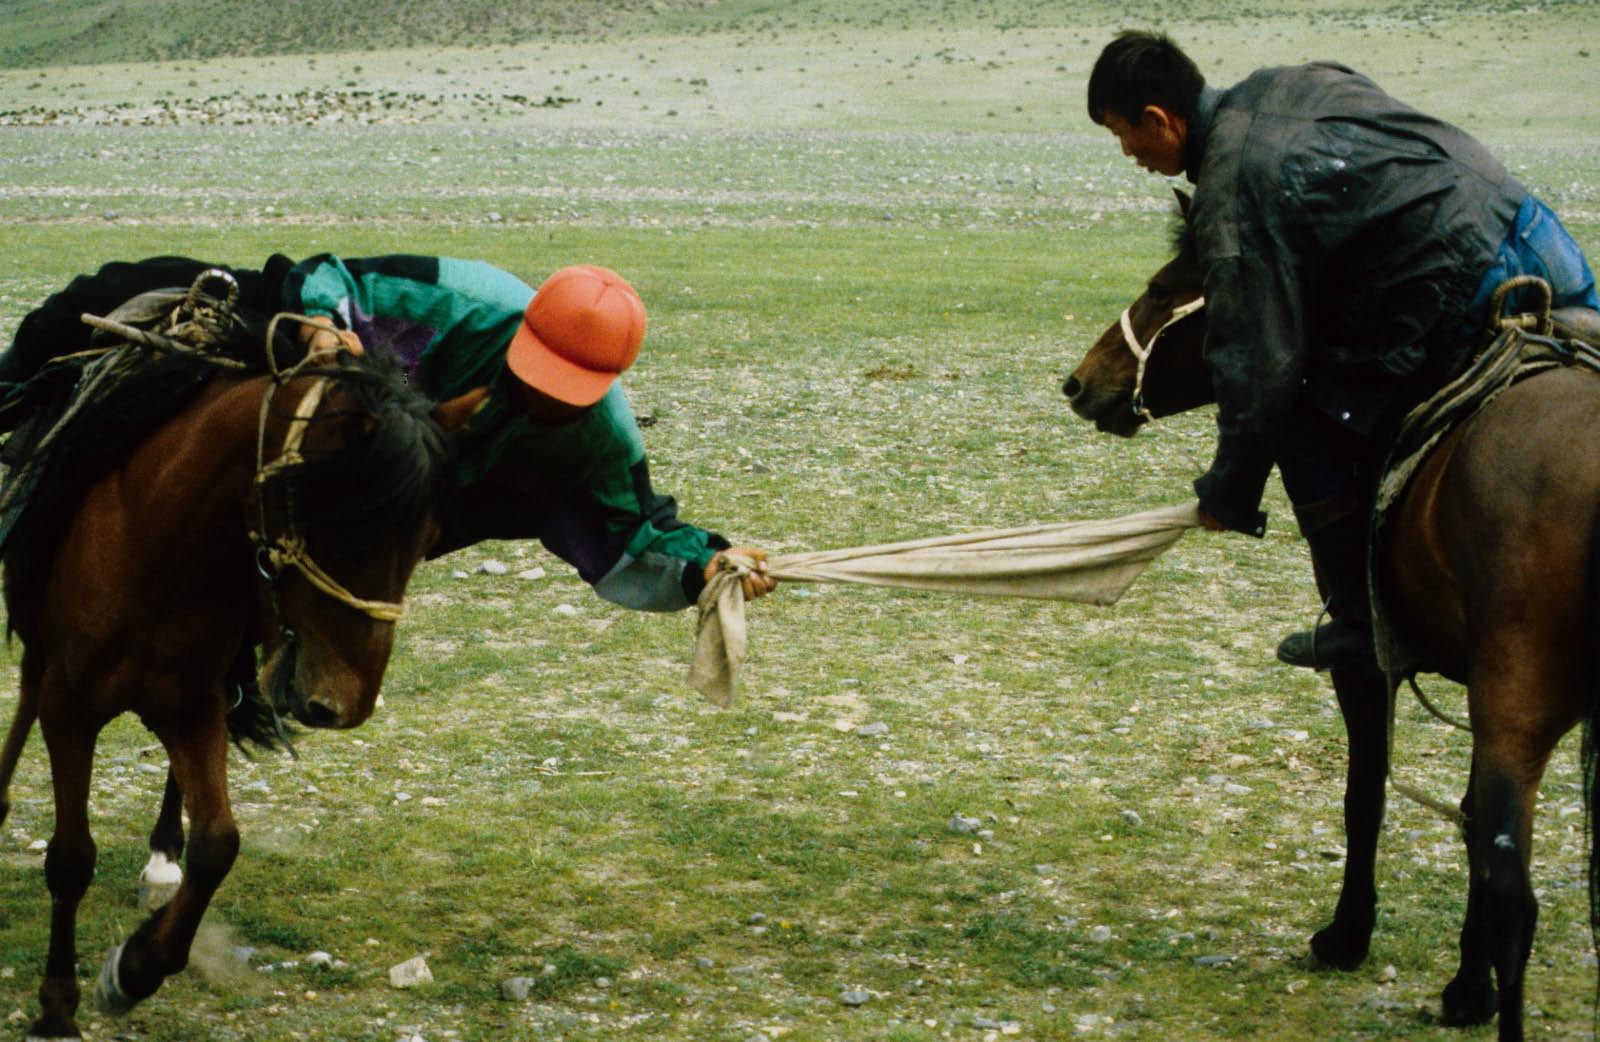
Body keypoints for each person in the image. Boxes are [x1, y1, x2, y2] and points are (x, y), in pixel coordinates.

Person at [1086, 31, 1600, 671]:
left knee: (1305, 421)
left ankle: (1357, 620)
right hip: (1542, 240)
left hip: (1462, 284)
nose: (1129, 153)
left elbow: (1257, 363)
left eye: (1122, 135)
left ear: (1159, 120)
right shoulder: (1294, 80)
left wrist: (1230, 492)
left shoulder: (1230, 191)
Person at [3, 253, 774, 624]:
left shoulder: (603, 436)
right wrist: (329, 330)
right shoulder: (458, 300)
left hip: (411, 508)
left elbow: (634, 529)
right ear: (523, 331)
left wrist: (709, 562)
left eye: (567, 394)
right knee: (98, 301)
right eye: (537, 376)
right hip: (351, 412)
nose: (545, 400)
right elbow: (330, 276)